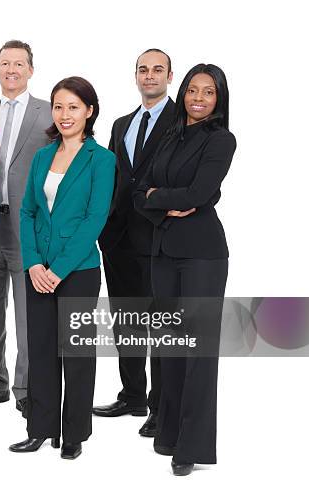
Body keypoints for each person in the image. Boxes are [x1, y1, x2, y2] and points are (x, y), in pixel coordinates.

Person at [133, 64, 236, 476]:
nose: (197, 98)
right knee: (169, 347)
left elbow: (200, 192)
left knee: (197, 352)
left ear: (218, 99)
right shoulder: (170, 135)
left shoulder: (221, 140)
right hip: (164, 249)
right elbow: (140, 192)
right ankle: (169, 434)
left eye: (207, 92)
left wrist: (163, 196)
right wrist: (162, 200)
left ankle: (190, 447)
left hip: (202, 255)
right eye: (192, 90)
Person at [10, 77, 115, 460]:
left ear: (89, 111)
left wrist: (59, 269)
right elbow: (26, 212)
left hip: (79, 270)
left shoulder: (102, 159)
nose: (65, 114)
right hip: (38, 269)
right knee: (40, 351)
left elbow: (95, 219)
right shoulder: (42, 156)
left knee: (76, 354)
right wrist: (35, 263)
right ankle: (40, 428)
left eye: (73, 107)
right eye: (58, 106)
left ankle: (73, 434)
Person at [93, 49, 175, 438]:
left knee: (158, 325)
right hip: (119, 238)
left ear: (169, 76)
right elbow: (113, 177)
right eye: (143, 69)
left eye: (157, 69)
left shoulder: (181, 121)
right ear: (135, 75)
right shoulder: (122, 122)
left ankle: (160, 406)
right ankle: (132, 394)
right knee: (126, 321)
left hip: (159, 237)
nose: (149, 75)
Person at [0, 40, 52, 414]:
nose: (11, 70)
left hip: (28, 228)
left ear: (31, 70)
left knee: (27, 313)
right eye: (4, 63)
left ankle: (26, 388)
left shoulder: (50, 113)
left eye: (19, 64)